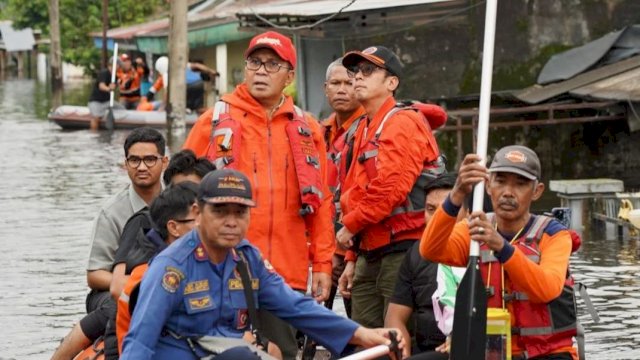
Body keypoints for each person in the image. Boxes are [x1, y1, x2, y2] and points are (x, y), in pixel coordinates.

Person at [120, 169, 405, 360]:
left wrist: (362, 334)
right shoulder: (172, 267)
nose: (231, 222)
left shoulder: (247, 258)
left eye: (240, 212)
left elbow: (295, 306)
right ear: (199, 212)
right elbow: (140, 342)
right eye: (220, 211)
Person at [182, 31, 334, 359]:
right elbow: (182, 192)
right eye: (255, 62)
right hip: (220, 267)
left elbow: (322, 202)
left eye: (272, 64)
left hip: (284, 273)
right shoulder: (214, 121)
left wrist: (322, 263)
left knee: (283, 352)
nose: (261, 71)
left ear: (289, 76)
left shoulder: (308, 129)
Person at [420, 145, 579, 360]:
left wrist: (502, 248)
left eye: (520, 184)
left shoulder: (555, 235)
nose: (507, 193)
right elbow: (430, 250)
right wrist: (457, 194)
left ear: (537, 191)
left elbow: (547, 289)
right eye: (500, 181)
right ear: (487, 185)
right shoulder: (474, 228)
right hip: (490, 351)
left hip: (547, 353)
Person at [335, 46, 442, 329]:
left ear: (391, 83)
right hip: (369, 250)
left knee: (399, 341)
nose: (358, 77)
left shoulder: (402, 121)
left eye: (368, 71)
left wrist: (350, 227)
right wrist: (351, 257)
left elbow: (391, 188)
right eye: (355, 71)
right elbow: (354, 195)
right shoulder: (361, 129)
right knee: (365, 342)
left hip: (405, 249)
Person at [51, 128, 167, 360]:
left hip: (165, 283)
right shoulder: (112, 212)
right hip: (114, 290)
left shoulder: (177, 204)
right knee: (117, 304)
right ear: (125, 164)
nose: (142, 167)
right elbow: (94, 275)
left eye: (149, 159)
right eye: (134, 160)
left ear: (164, 162)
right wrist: (135, 284)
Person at [114, 182, 200, 354]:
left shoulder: (221, 261)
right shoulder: (147, 278)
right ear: (174, 228)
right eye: (198, 218)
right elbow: (139, 343)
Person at [384, 173, 456, 358]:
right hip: (422, 349)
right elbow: (395, 317)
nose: (437, 219)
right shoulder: (416, 253)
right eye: (431, 209)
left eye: (448, 210)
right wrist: (402, 352)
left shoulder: (482, 250)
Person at [322, 57, 365, 315]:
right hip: (325, 242)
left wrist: (342, 251)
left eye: (348, 83)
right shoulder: (318, 132)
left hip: (356, 242)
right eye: (335, 83)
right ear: (325, 88)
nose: (341, 89)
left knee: (359, 319)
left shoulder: (370, 128)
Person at [140, 56, 218, 112]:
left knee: (178, 100)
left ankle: (186, 109)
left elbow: (168, 92)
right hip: (200, 84)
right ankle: (205, 110)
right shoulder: (178, 65)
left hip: (187, 87)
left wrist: (162, 108)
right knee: (198, 106)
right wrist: (211, 71)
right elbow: (197, 65)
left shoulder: (167, 75)